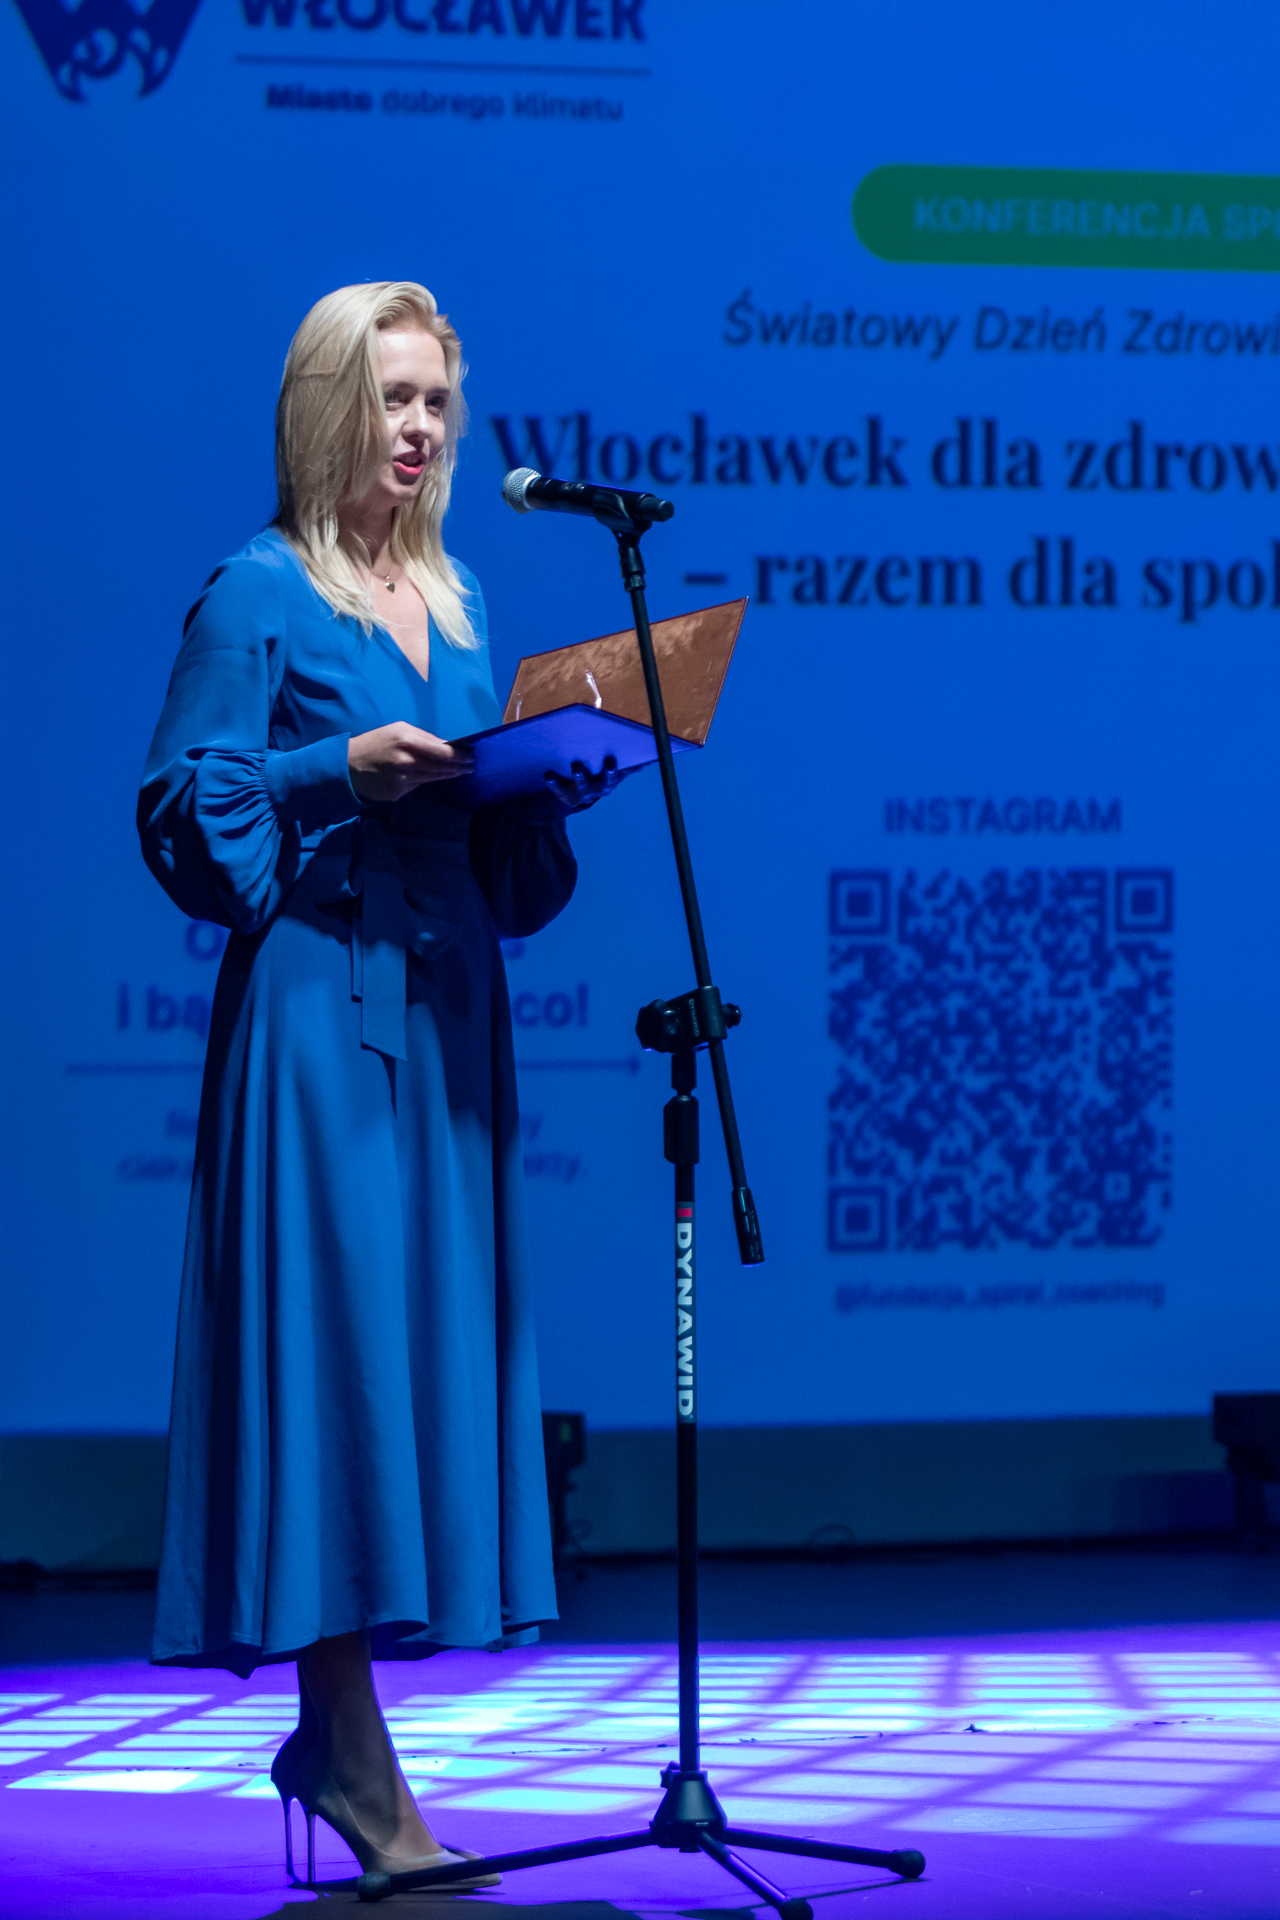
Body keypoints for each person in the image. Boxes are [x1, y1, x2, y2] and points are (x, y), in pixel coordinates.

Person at [138, 281, 619, 1886]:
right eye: (392, 397)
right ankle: (346, 1752)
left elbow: (501, 864)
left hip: (449, 1011)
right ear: (327, 409)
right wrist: (324, 770)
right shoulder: (257, 592)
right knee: (331, 1358)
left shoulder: (464, 596)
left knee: (412, 1356)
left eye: (435, 403)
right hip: (317, 1010)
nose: (417, 428)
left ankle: (344, 1743)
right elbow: (181, 814)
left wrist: (544, 786)